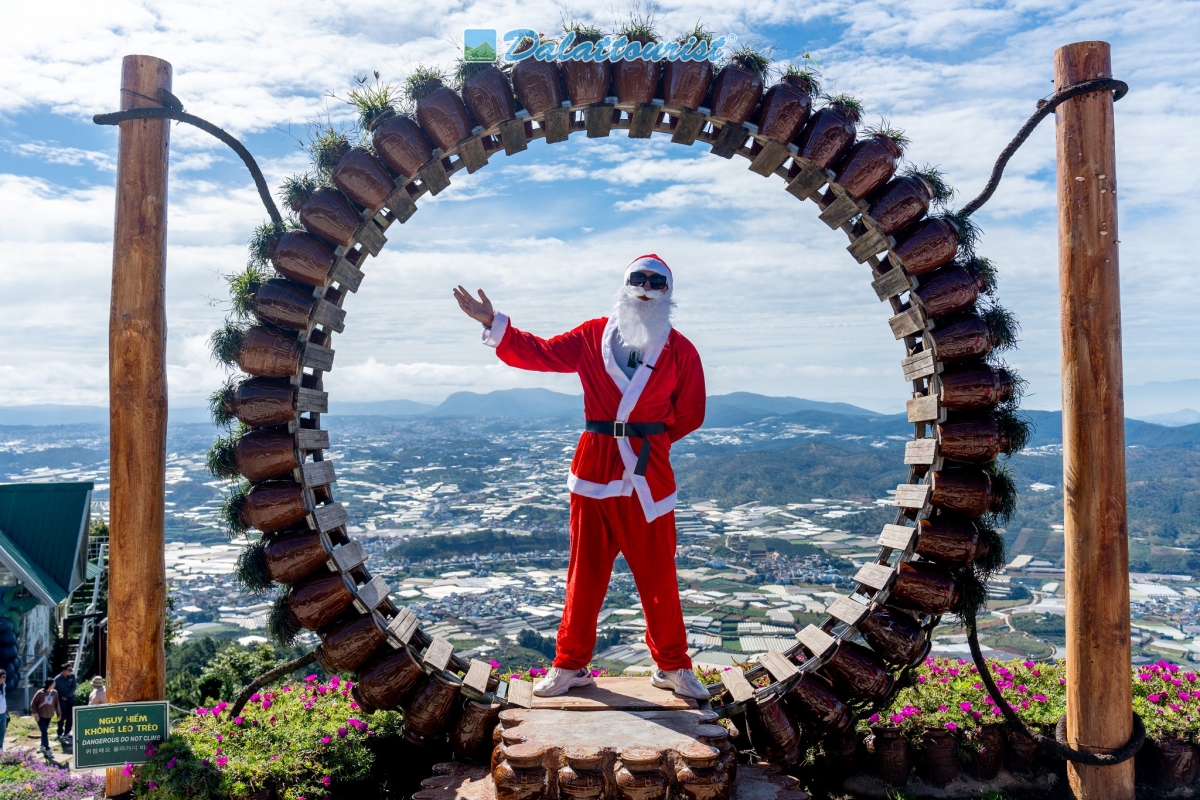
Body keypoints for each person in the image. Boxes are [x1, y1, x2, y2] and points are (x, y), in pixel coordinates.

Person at [453, 253, 709, 700]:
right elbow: (542, 353)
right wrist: (494, 323)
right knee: (584, 574)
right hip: (594, 472)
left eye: (657, 282)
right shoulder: (593, 335)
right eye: (638, 278)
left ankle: (672, 665)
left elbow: (692, 412)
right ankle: (570, 665)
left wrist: (651, 441)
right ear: (625, 284)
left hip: (648, 477)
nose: (646, 287)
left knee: (659, 577)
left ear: (668, 292)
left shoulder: (681, 350)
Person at [30, 678, 58, 756]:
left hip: (49, 715)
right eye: (53, 683)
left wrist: (59, 714)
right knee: (45, 732)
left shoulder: (54, 692)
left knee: (44, 732)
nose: (55, 684)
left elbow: (56, 704)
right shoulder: (40, 693)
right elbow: (33, 704)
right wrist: (35, 714)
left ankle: (42, 745)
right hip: (40, 716)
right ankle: (48, 749)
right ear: (49, 685)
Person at [53, 663, 76, 743]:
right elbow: (53, 690)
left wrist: (67, 696)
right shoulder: (57, 679)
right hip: (61, 700)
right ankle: (59, 732)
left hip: (70, 699)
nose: (70, 671)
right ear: (63, 670)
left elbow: (74, 687)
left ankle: (67, 732)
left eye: (71, 670)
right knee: (61, 716)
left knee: (70, 717)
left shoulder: (72, 676)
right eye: (69, 670)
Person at [0, 669, 8, 750]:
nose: (5, 678)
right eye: (3, 677)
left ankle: (1, 747)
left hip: (3, 712)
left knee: (2, 731)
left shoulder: (4, 685)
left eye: (5, 677)